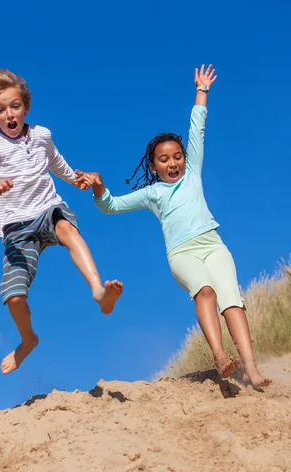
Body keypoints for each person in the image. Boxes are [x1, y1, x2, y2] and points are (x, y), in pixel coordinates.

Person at [76, 64, 270, 388]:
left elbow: (198, 128)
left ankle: (251, 369)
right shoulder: (153, 193)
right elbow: (112, 205)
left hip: (212, 244)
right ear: (153, 166)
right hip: (182, 253)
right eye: (164, 159)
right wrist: (98, 186)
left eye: (177, 156)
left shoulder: (193, 172)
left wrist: (202, 91)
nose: (173, 163)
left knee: (232, 300)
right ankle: (220, 357)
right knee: (204, 291)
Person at [0, 68, 122, 375]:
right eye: (0, 110)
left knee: (66, 226)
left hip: (47, 208)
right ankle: (28, 340)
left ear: (25, 106)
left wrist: (78, 179)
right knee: (14, 297)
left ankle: (98, 291)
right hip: (16, 227)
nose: (9, 114)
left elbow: (58, 164)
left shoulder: (41, 135)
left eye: (15, 106)